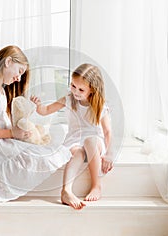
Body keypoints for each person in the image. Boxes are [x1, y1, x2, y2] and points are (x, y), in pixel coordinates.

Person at [0, 45, 71, 202]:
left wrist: (28, 114)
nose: (19, 78)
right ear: (8, 62)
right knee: (44, 156)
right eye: (19, 71)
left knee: (47, 148)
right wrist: (12, 134)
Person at [30, 63, 113, 210]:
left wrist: (108, 155)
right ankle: (66, 191)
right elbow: (46, 110)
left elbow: (107, 132)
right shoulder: (68, 99)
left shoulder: (99, 105)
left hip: (95, 141)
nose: (75, 91)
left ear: (92, 90)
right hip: (75, 140)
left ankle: (96, 185)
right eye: (73, 86)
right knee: (79, 152)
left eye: (81, 89)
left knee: (90, 140)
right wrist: (38, 106)